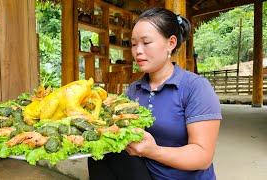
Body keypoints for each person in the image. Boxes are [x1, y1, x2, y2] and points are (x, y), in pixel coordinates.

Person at [88, 7, 222, 180]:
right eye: (134, 44)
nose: (138, 51)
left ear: (171, 43)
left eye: (146, 42)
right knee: (98, 153)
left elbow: (203, 156)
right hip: (145, 173)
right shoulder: (135, 89)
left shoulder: (195, 87)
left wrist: (154, 151)